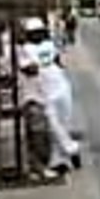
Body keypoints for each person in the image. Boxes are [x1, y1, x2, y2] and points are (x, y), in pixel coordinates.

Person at [20, 17, 81, 176]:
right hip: (44, 94)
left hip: (61, 87)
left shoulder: (50, 44)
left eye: (40, 32)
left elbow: (57, 61)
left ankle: (59, 161)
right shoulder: (25, 49)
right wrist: (34, 68)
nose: (37, 36)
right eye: (33, 33)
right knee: (54, 127)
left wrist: (57, 68)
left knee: (64, 124)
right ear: (28, 34)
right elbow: (27, 69)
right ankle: (71, 150)